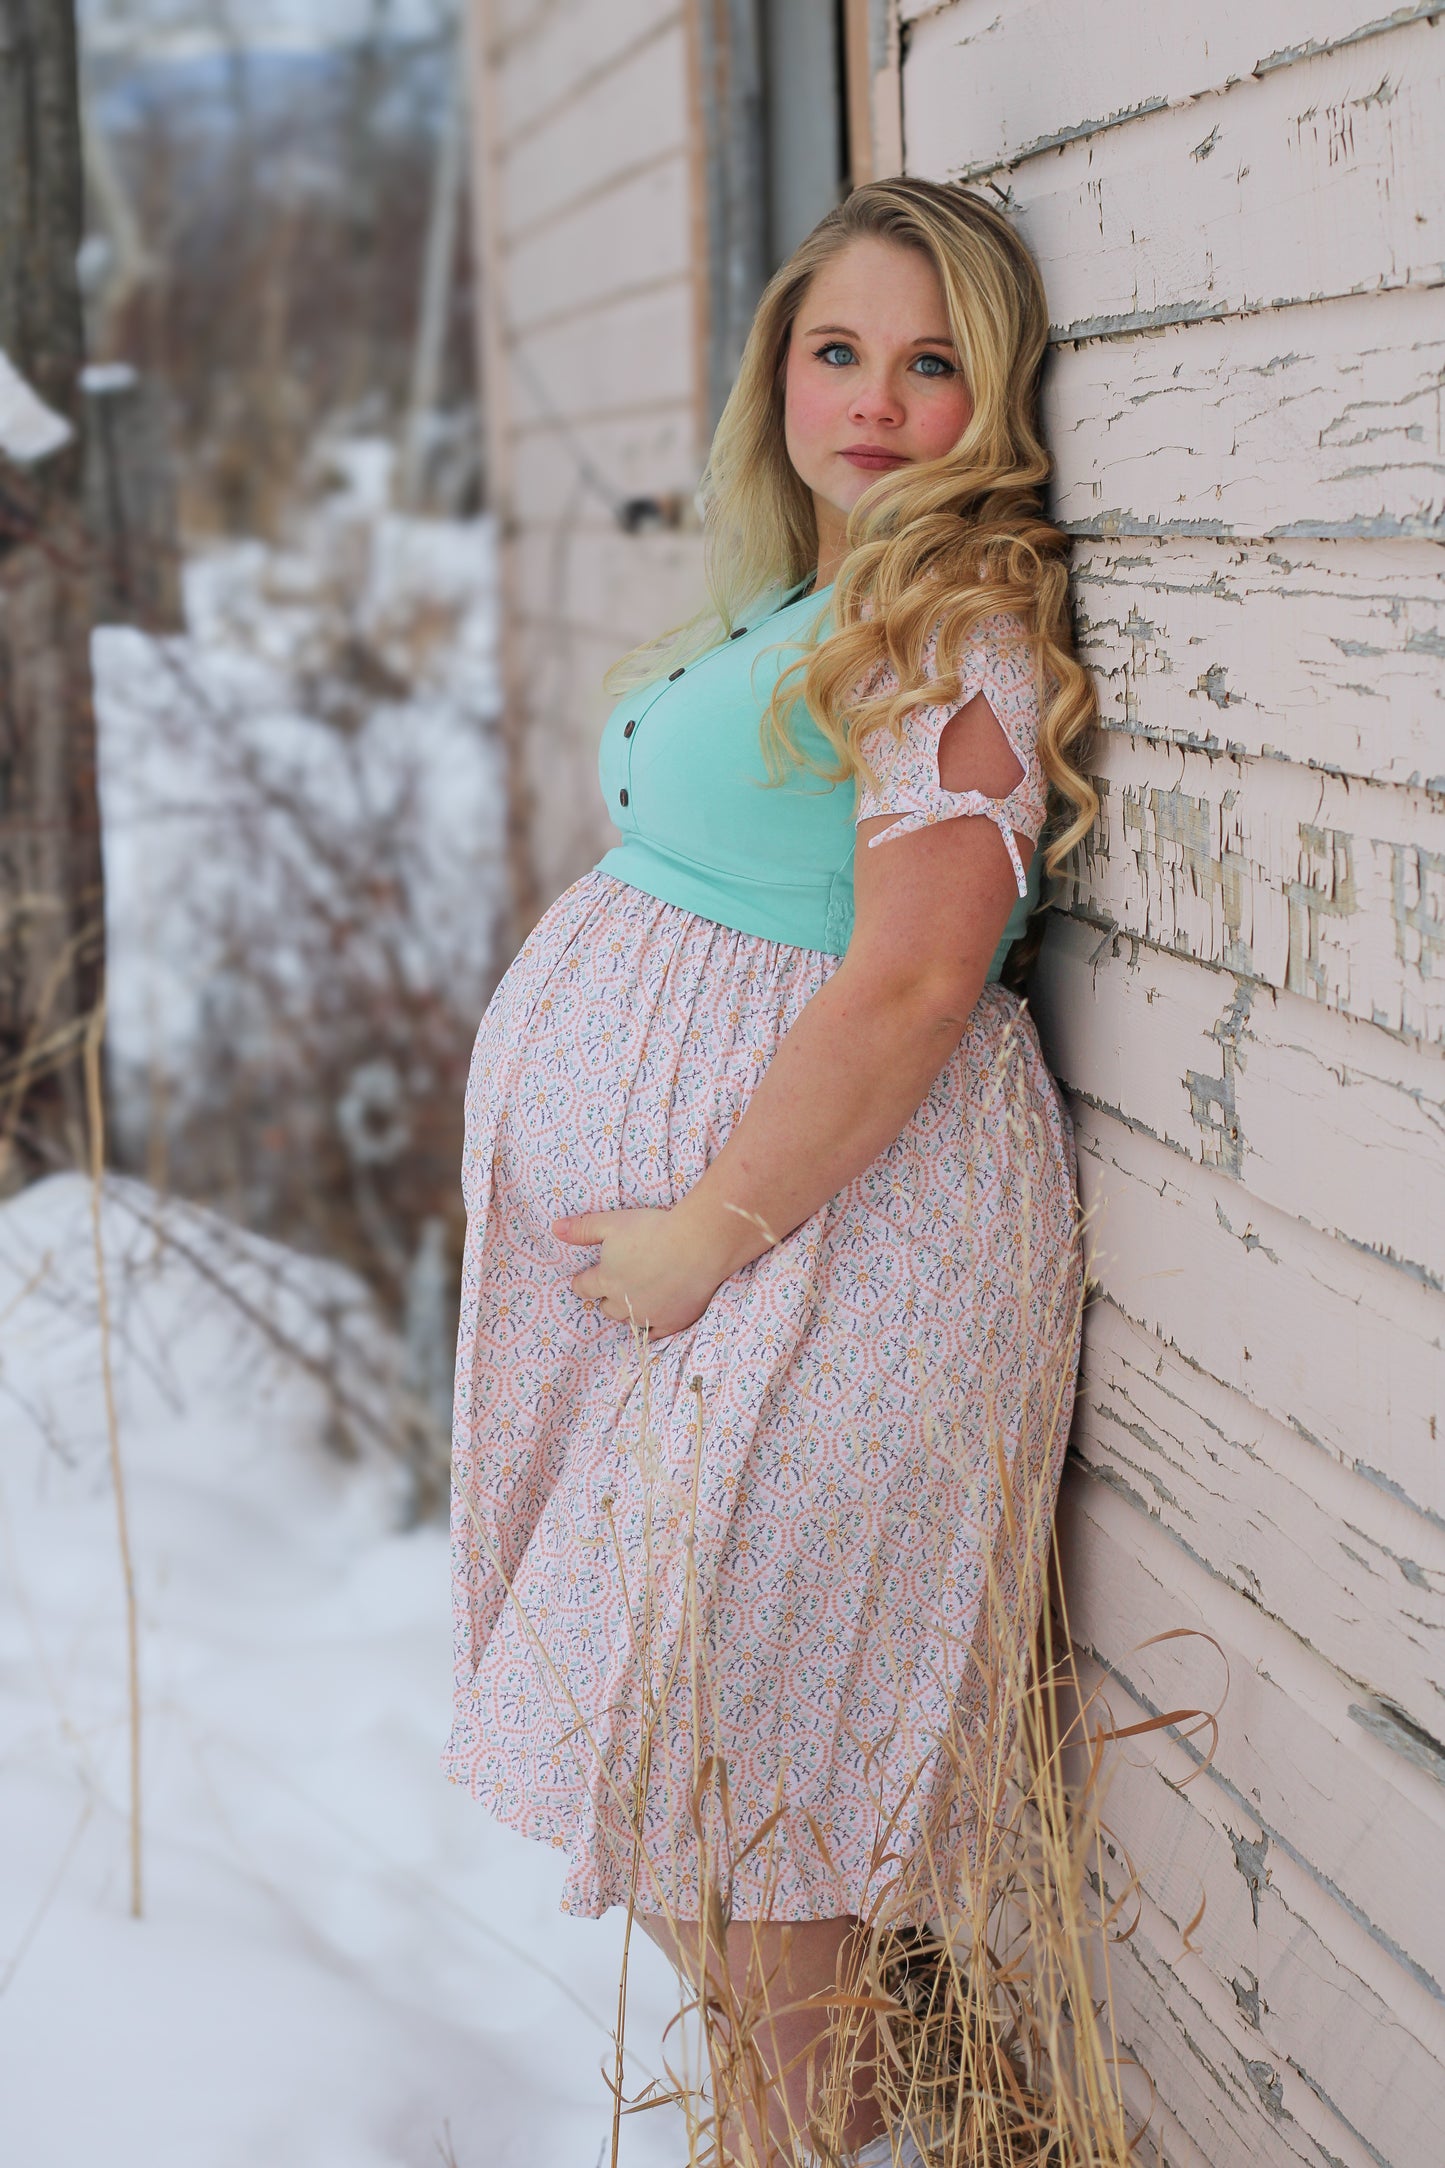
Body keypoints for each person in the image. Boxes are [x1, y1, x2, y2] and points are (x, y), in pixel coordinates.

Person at [443, 178, 1096, 2167]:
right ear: (777, 372)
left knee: (764, 1755)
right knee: (697, 1747)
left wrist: (715, 1225)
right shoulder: (798, 603)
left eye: (931, 362)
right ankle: (829, 2112)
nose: (879, 400)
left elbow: (911, 981)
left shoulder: (950, 628)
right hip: (726, 1265)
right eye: (840, 351)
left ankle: (795, 2138)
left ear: (994, 394)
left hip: (830, 1251)